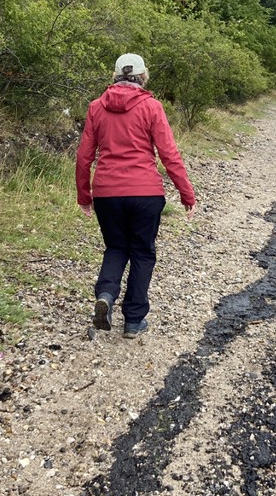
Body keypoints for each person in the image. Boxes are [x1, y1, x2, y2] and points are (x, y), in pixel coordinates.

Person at [75, 53, 196, 338]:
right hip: (145, 193)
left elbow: (83, 157)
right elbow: (169, 155)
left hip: (107, 193)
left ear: (115, 76)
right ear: (143, 76)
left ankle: (105, 294)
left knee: (116, 248)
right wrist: (186, 193)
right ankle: (133, 320)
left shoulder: (96, 107)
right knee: (142, 252)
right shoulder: (152, 107)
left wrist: (84, 195)